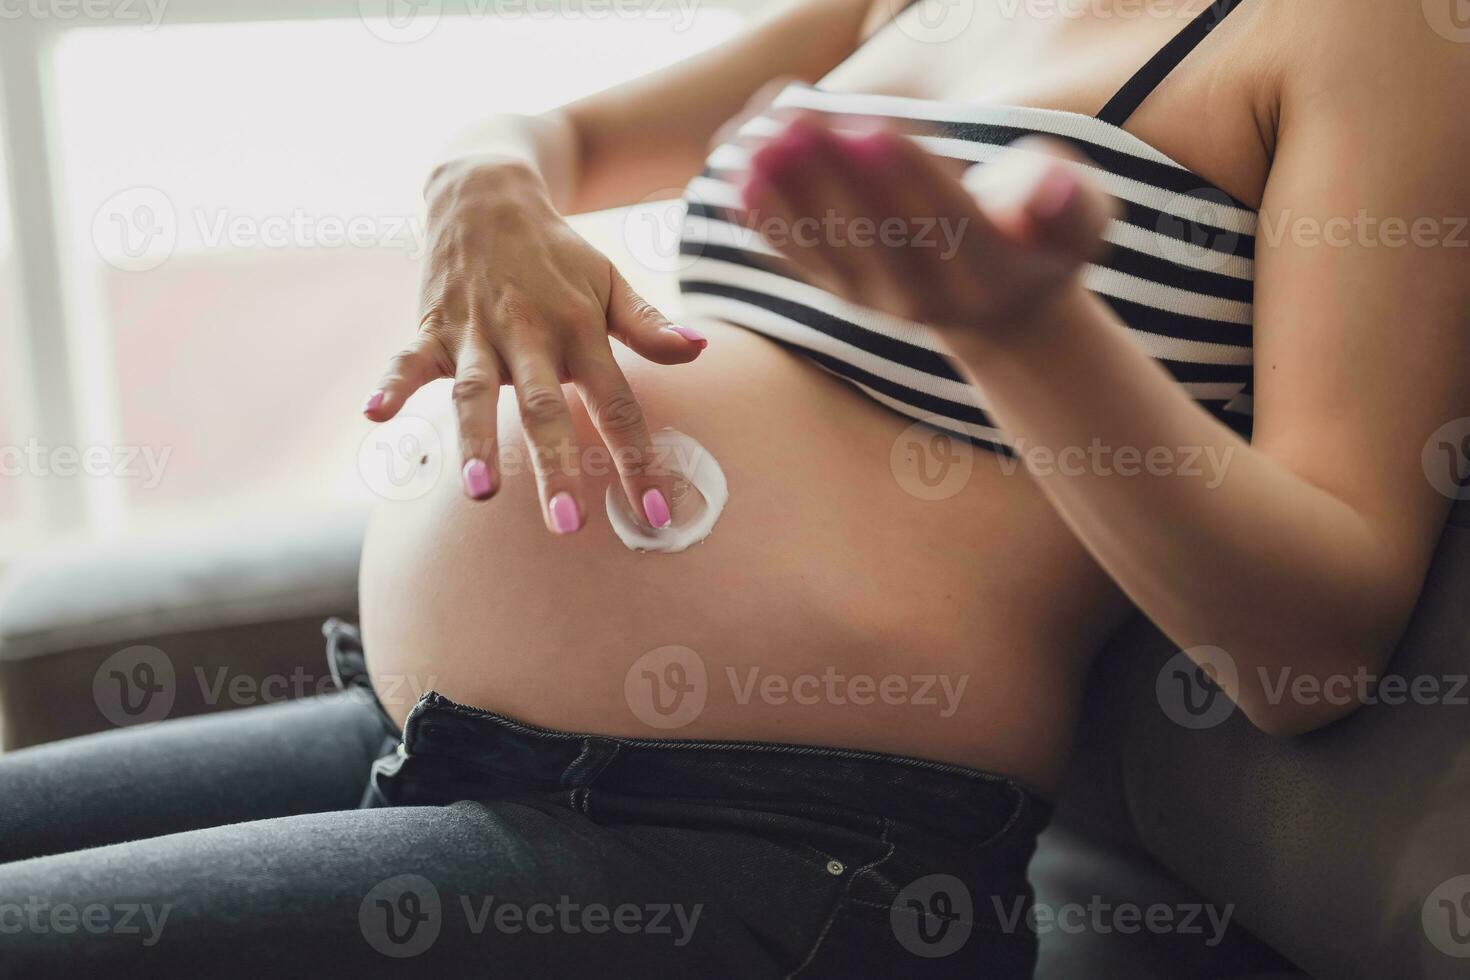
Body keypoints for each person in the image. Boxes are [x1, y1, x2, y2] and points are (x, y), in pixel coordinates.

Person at [3, 1, 1467, 976]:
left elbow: (1308, 653)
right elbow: (554, 139)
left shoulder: (1361, 39)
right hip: (441, 732)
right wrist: (481, 190)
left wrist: (1014, 324)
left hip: (776, 838)